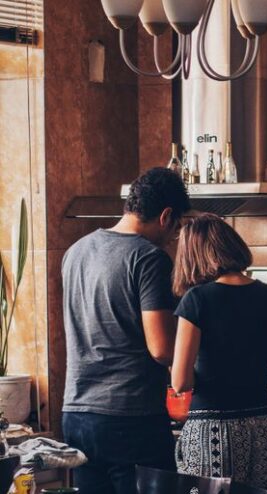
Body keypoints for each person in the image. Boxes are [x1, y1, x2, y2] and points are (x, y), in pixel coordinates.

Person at [61, 167, 190, 494]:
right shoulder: (149, 259)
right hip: (130, 417)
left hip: (76, 414)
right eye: (176, 229)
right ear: (166, 216)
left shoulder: (75, 252)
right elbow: (161, 349)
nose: (173, 237)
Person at [171, 213, 267, 494]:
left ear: (193, 256)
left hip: (212, 429)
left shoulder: (197, 300)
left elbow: (181, 382)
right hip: (264, 424)